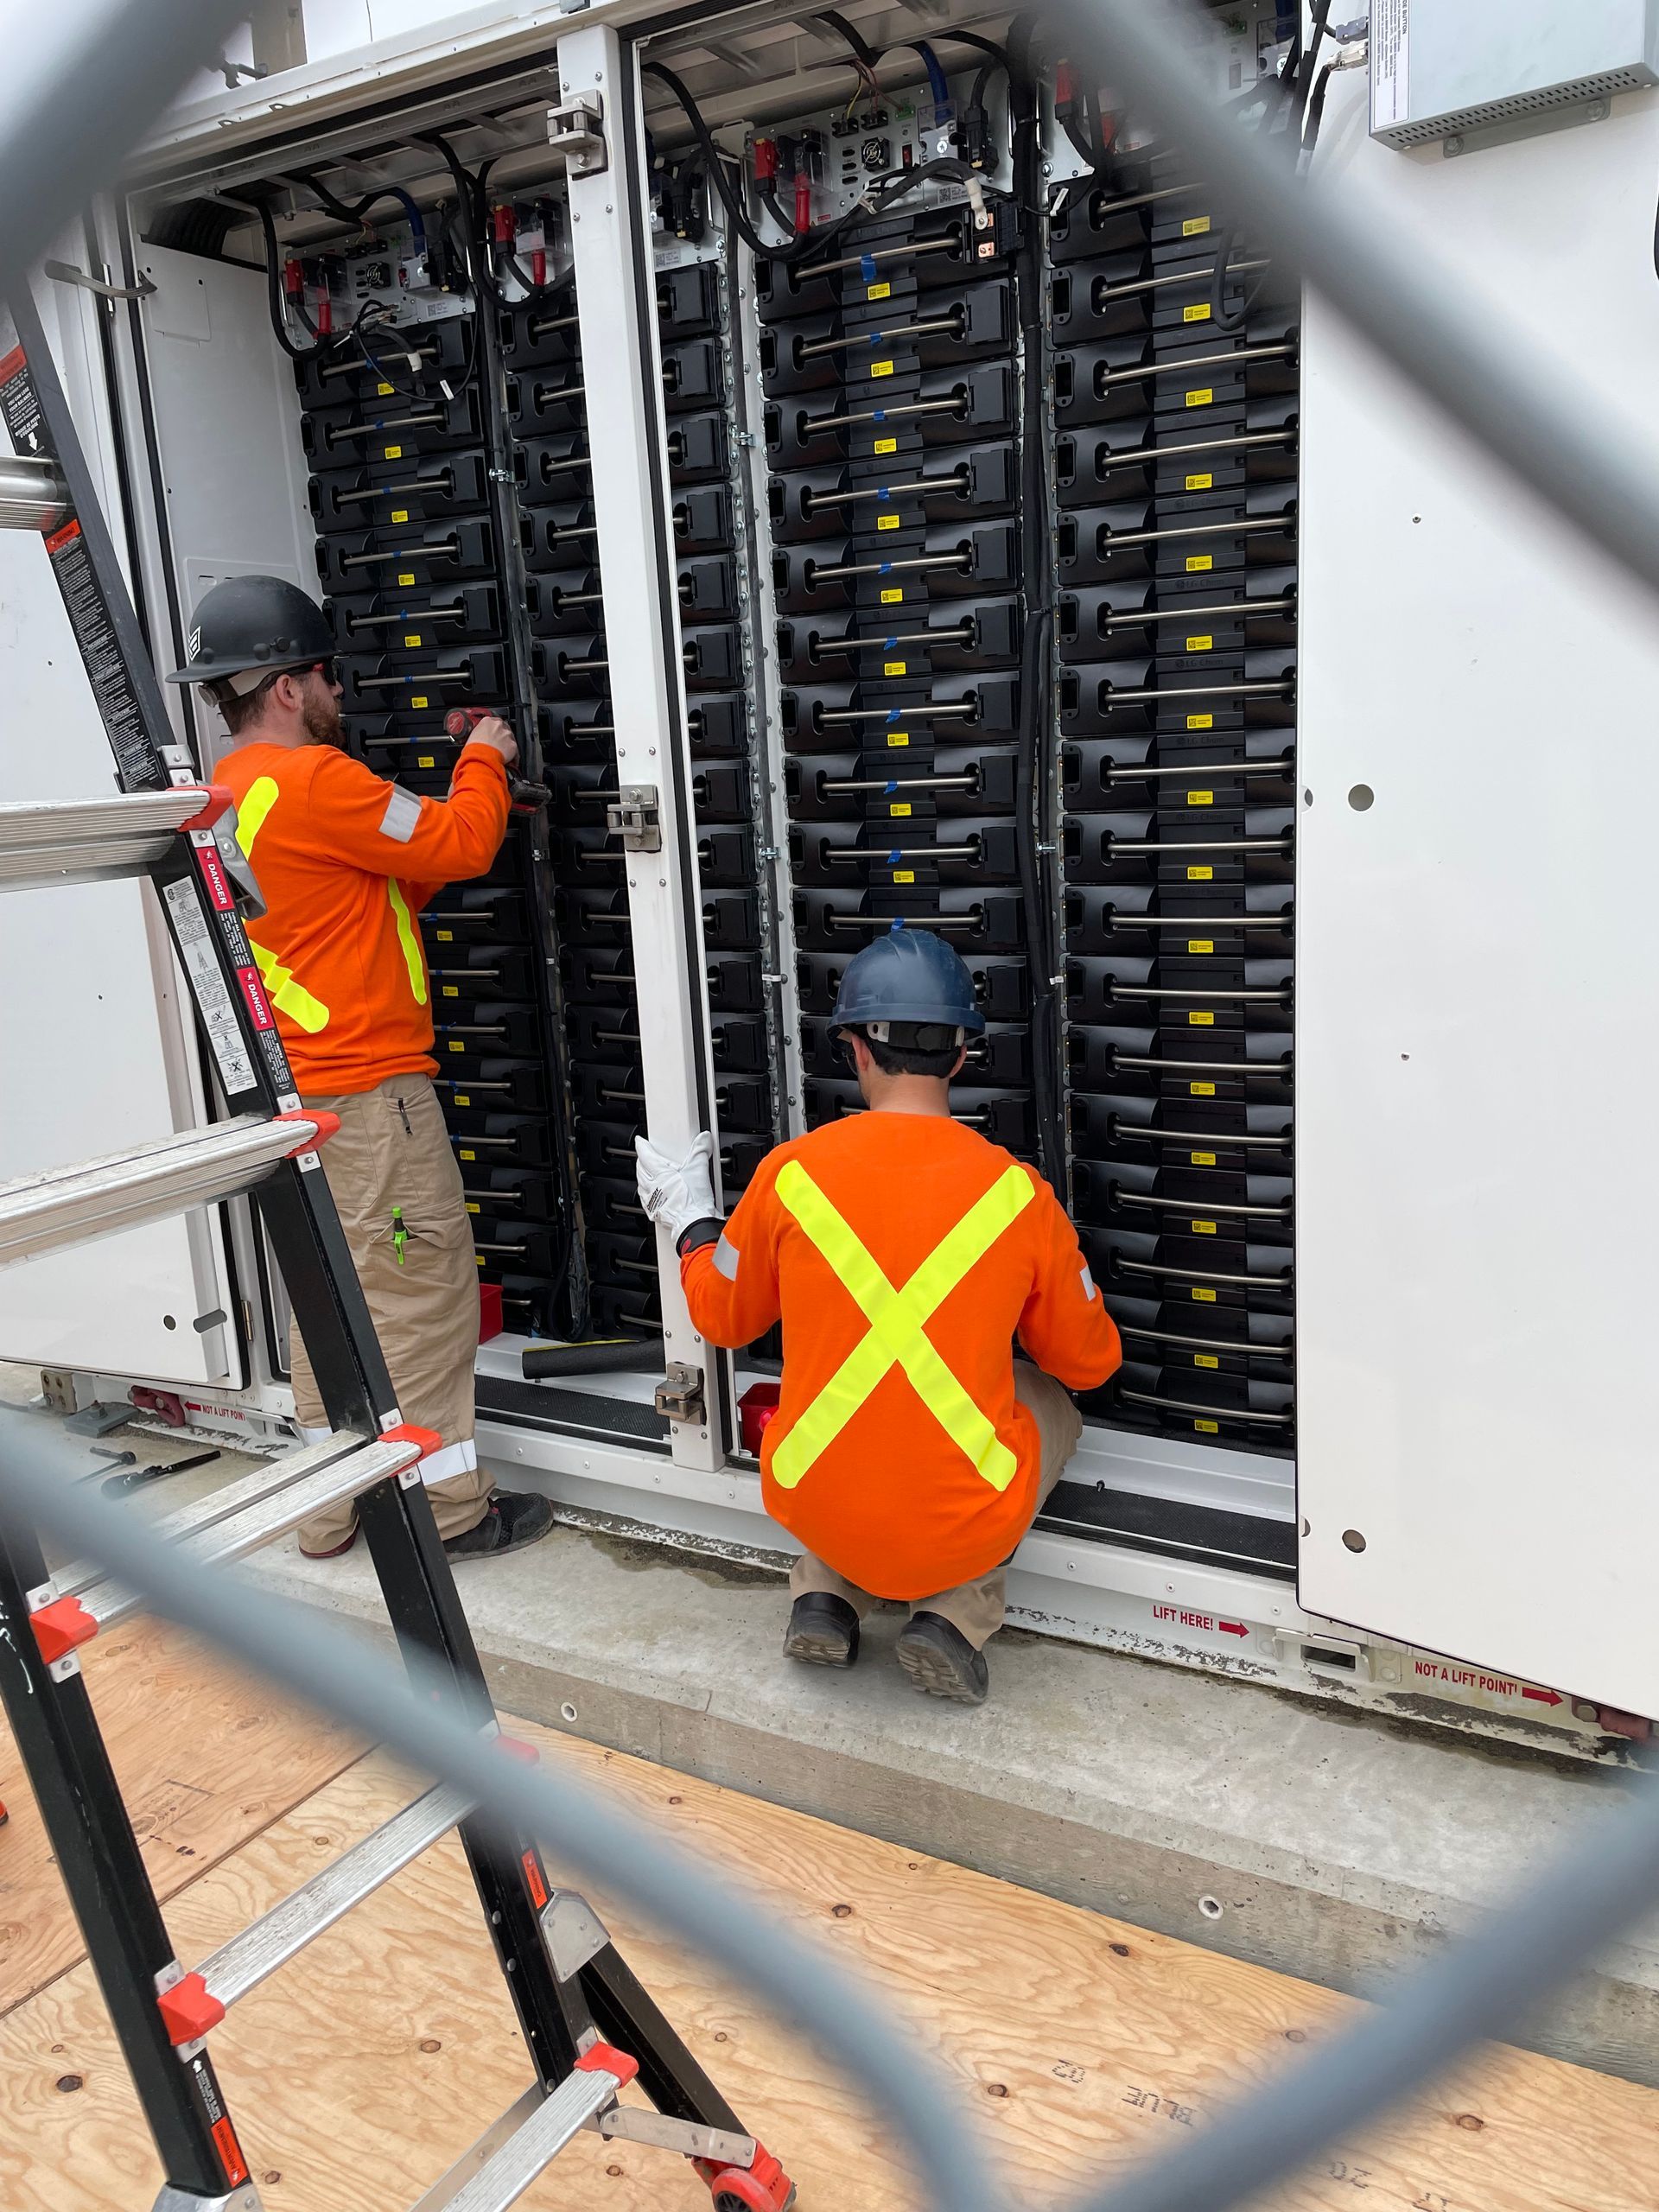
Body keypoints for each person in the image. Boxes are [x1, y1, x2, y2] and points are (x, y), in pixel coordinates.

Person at [166, 575, 553, 1560]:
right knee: (419, 1301)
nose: (338, 689)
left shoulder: (222, 800)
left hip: (299, 1101)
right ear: (287, 687)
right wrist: (485, 757)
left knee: (332, 1305)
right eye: (325, 673)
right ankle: (451, 1513)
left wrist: (448, 817)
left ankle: (327, 1511)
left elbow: (355, 895)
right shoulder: (319, 781)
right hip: (374, 1103)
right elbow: (460, 843)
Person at [637, 929, 1121, 1704]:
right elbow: (1090, 1363)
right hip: (959, 1524)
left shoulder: (789, 1177)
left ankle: (824, 1594)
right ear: (960, 1055)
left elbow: (721, 1319)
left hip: (813, 1499)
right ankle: (954, 1616)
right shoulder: (1018, 1195)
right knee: (1047, 1402)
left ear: (856, 1050)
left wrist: (693, 1223)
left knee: (848, 1417)